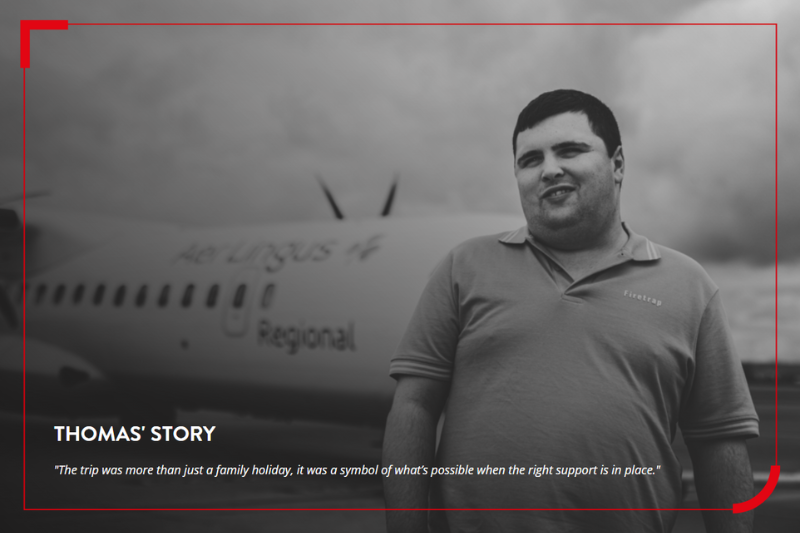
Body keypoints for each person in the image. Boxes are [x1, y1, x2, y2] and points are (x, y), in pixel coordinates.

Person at [382, 89, 759, 533]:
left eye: (570, 150)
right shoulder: (462, 268)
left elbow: (720, 440)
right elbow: (413, 408)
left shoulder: (689, 285)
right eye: (530, 160)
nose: (549, 170)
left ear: (617, 165)